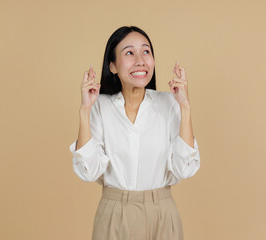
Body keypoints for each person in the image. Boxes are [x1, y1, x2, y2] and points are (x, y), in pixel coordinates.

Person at [69, 26, 201, 240]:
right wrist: (85, 110)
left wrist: (185, 107)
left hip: (162, 214)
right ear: (112, 66)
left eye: (146, 51)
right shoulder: (99, 106)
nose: (140, 60)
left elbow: (184, 169)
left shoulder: (170, 103)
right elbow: (89, 171)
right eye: (129, 52)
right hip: (114, 212)